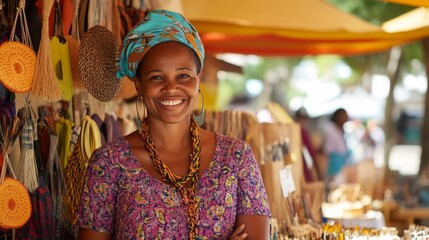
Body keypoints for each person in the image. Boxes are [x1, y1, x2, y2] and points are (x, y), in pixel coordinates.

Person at [77, 10, 271, 240]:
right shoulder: (108, 164)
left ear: (198, 79)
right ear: (138, 85)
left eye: (183, 76)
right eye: (157, 77)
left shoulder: (237, 158)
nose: (171, 88)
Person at [322, 108, 352, 194]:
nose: (346, 118)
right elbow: (327, 150)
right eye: (344, 116)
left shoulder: (339, 130)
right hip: (334, 168)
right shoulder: (330, 130)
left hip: (341, 167)